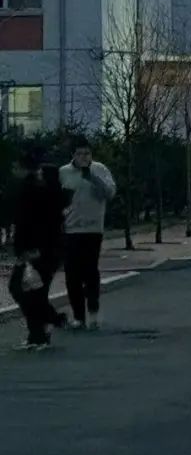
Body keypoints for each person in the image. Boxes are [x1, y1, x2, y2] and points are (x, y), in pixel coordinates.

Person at [8, 144, 65, 351]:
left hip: (41, 250)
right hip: (36, 249)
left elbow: (38, 222)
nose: (13, 170)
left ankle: (43, 330)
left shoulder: (36, 189)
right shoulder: (30, 187)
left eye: (15, 166)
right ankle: (41, 330)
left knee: (28, 290)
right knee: (27, 290)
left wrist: (32, 249)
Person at [59, 135, 117, 331]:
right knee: (72, 274)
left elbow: (110, 193)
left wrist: (92, 177)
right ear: (73, 155)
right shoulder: (64, 172)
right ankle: (78, 316)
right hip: (71, 229)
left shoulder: (99, 169)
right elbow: (58, 198)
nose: (84, 157)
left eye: (87, 153)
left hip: (93, 229)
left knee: (90, 271)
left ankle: (93, 310)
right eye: (80, 153)